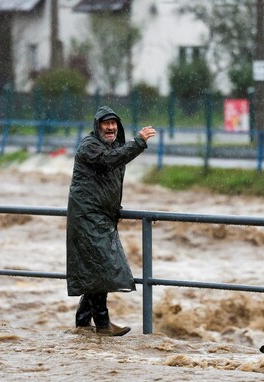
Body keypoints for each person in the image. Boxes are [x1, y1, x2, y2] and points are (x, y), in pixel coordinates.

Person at [66, 105, 156, 336]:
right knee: (102, 269)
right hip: (88, 218)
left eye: (113, 123)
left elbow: (109, 176)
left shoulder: (112, 146)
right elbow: (109, 161)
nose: (110, 127)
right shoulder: (90, 146)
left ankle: (83, 323)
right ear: (97, 127)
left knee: (97, 270)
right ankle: (103, 325)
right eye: (106, 124)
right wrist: (138, 142)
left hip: (100, 217)